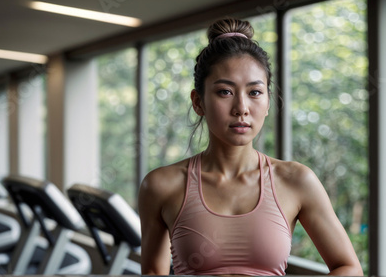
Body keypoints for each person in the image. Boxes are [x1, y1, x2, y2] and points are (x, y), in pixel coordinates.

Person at [138, 17, 363, 276]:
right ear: (198, 102)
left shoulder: (297, 181)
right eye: (225, 92)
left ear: (268, 102)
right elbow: (153, 272)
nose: (241, 109)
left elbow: (348, 267)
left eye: (255, 92)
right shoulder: (161, 185)